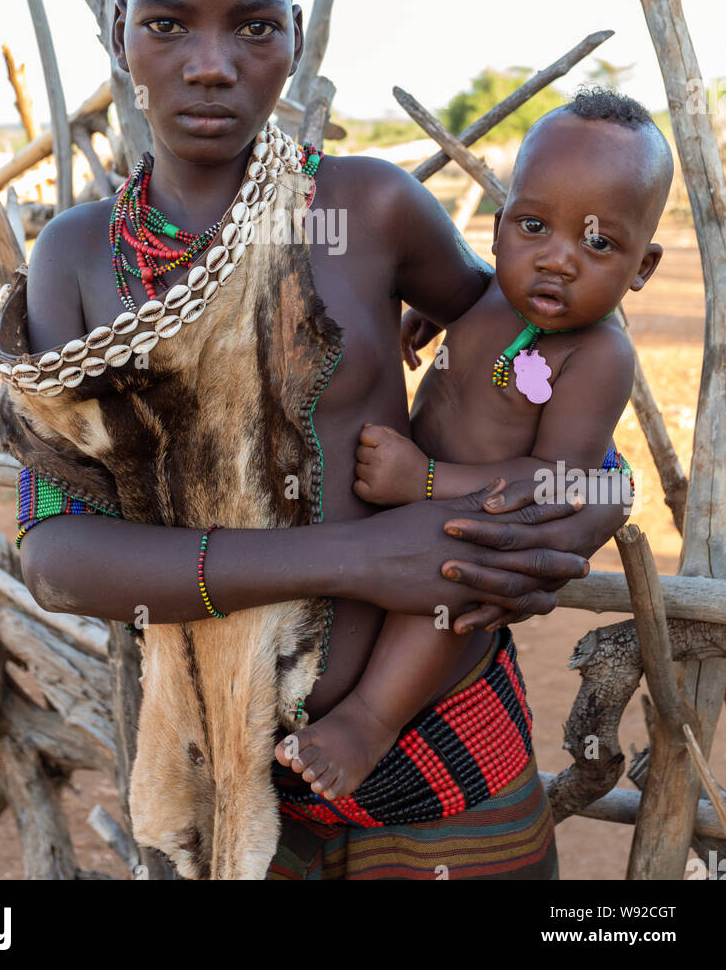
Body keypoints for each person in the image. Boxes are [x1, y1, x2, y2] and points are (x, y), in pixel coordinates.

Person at [0, 0, 629, 881]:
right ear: (118, 34)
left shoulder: (371, 212)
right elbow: (56, 554)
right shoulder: (73, 262)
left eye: (253, 25)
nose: (211, 63)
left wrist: (591, 485)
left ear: (292, 36)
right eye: (166, 25)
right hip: (234, 769)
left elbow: (525, 350)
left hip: (451, 739)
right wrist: (352, 560)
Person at [274, 90, 671, 805]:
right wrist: (433, 312)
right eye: (533, 226)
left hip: (482, 514)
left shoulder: (599, 356)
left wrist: (426, 482)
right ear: (498, 230)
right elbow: (481, 294)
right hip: (412, 490)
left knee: (454, 583)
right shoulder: (500, 293)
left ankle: (370, 721)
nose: (558, 262)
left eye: (600, 243)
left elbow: (555, 482)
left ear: (642, 265)